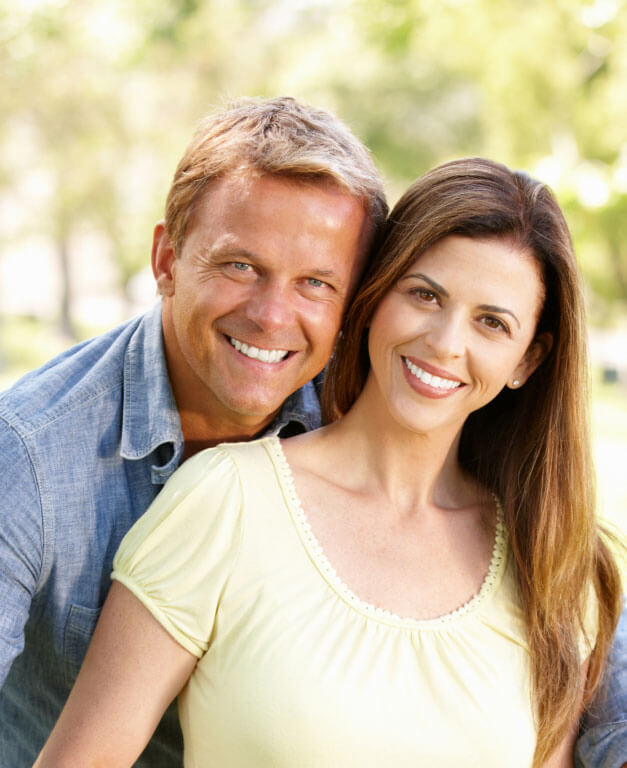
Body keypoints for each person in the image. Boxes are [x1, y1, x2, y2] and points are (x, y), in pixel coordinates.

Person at [34, 158, 623, 767]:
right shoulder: (225, 502)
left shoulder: (551, 564)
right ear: (375, 294)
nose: (446, 343)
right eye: (425, 295)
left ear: (528, 360)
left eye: (492, 323)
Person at [0, 96, 388, 766]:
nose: (271, 315)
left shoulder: (373, 419)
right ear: (166, 260)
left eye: (316, 284)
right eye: (240, 265)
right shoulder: (29, 452)